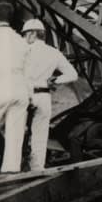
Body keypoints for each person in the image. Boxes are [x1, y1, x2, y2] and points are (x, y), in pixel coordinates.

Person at [22, 19, 78, 172]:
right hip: (44, 96)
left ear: (33, 34)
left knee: (16, 132)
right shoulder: (54, 53)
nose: (24, 38)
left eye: (25, 34)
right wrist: (54, 81)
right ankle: (37, 170)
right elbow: (73, 74)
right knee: (39, 136)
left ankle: (13, 168)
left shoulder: (22, 50)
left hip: (24, 95)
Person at [0, 2, 30, 174]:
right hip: (20, 89)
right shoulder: (22, 42)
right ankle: (11, 173)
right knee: (15, 135)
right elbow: (28, 71)